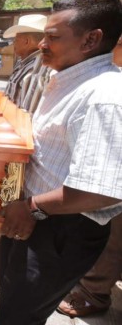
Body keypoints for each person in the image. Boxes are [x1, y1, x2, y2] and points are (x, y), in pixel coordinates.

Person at [0, 0, 122, 325]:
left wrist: (31, 207)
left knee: (21, 312)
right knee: (13, 295)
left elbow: (102, 190)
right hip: (36, 217)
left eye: (53, 37)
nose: (42, 44)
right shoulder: (69, 81)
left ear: (91, 39)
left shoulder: (104, 97)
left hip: (60, 228)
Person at [56, 36, 122, 318]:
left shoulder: (108, 89)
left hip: (111, 180)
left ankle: (93, 293)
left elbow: (102, 192)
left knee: (112, 232)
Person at [2, 14, 48, 113]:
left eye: (15, 40)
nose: (13, 43)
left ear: (27, 41)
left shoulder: (38, 67)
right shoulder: (22, 62)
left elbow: (27, 112)